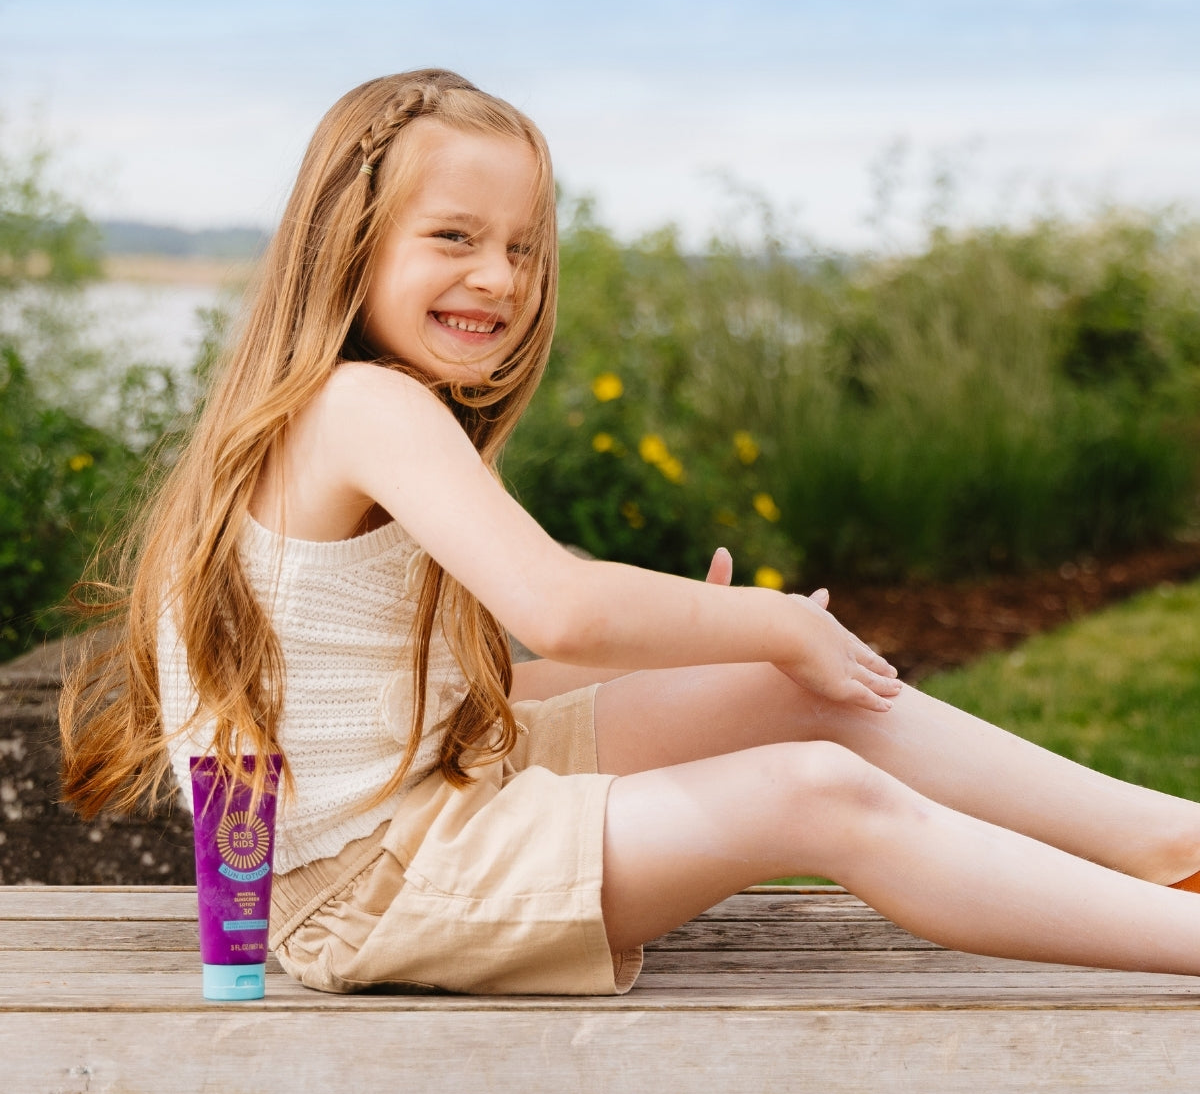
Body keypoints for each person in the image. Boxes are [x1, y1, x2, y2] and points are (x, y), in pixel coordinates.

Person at [60, 69, 1200, 996]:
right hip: (374, 880)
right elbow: (558, 602)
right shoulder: (367, 405)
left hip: (457, 787)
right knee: (817, 791)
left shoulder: (364, 410)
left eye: (520, 246)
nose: (497, 277)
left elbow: (487, 682)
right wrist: (754, 617)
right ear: (345, 244)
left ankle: (1173, 844)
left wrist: (722, 648)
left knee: (807, 689)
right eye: (453, 235)